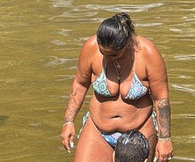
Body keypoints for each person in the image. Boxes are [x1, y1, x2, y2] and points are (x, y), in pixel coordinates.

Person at [60, 13, 173, 162]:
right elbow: (80, 84)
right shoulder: (91, 47)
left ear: (126, 44)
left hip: (138, 133)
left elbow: (161, 99)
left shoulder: (147, 53)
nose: (107, 57)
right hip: (97, 130)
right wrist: (68, 121)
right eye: (103, 53)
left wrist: (165, 138)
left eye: (113, 54)